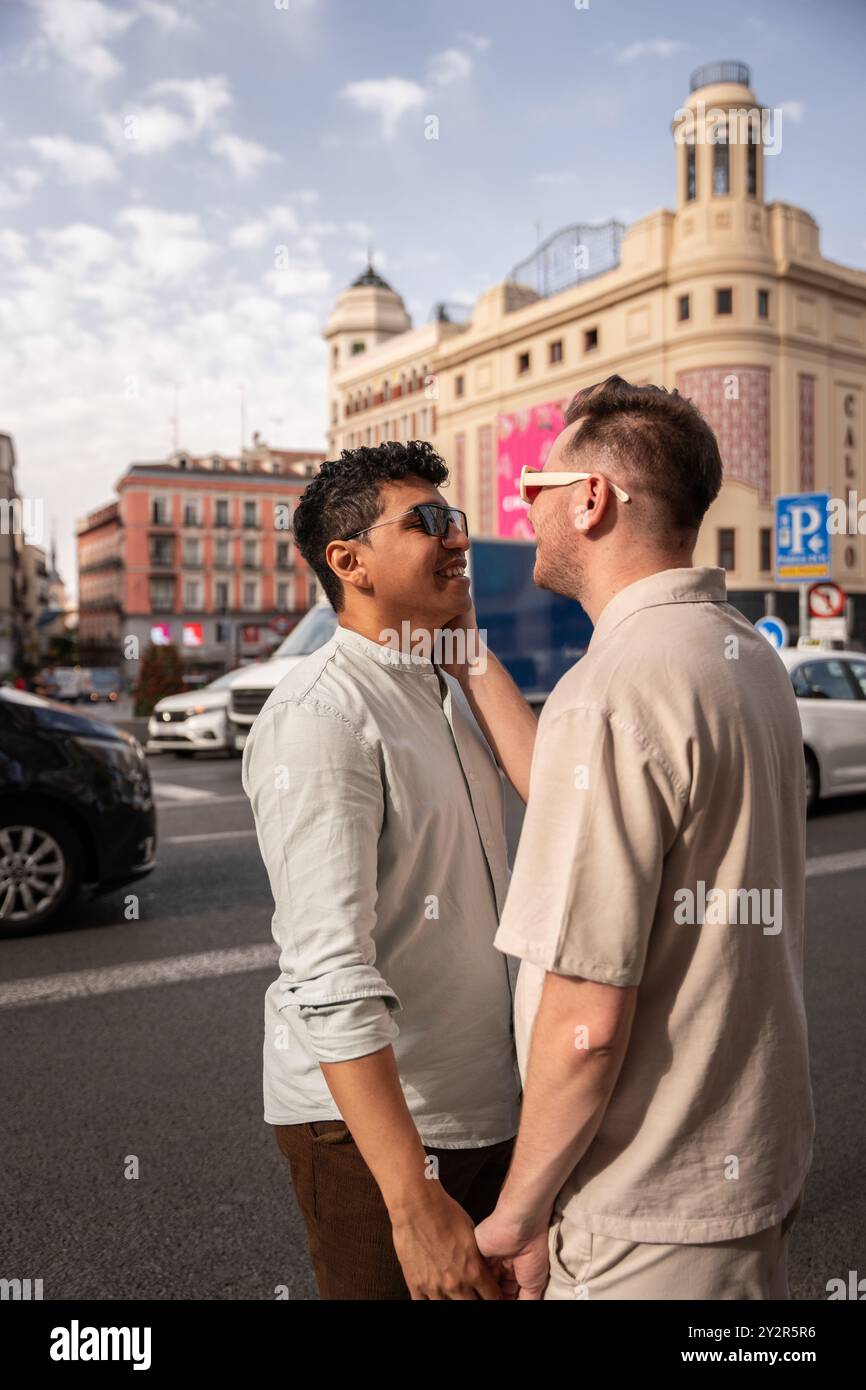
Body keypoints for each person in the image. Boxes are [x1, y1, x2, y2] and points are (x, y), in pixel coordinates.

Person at [458, 375, 815, 1299]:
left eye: (537, 484)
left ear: (592, 499)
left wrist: (519, 1210)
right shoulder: (742, 657)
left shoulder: (611, 691)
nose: (522, 503)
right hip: (738, 1185)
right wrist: (471, 652)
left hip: (643, 1224)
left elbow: (585, 1024)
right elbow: (582, 800)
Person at [242, 439, 537, 1300]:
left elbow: (565, 805)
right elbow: (329, 973)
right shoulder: (321, 714)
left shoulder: (445, 688)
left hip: (482, 1106)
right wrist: (410, 1199)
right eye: (428, 523)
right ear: (350, 562)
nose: (457, 540)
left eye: (458, 520)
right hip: (379, 1135)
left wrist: (471, 658)